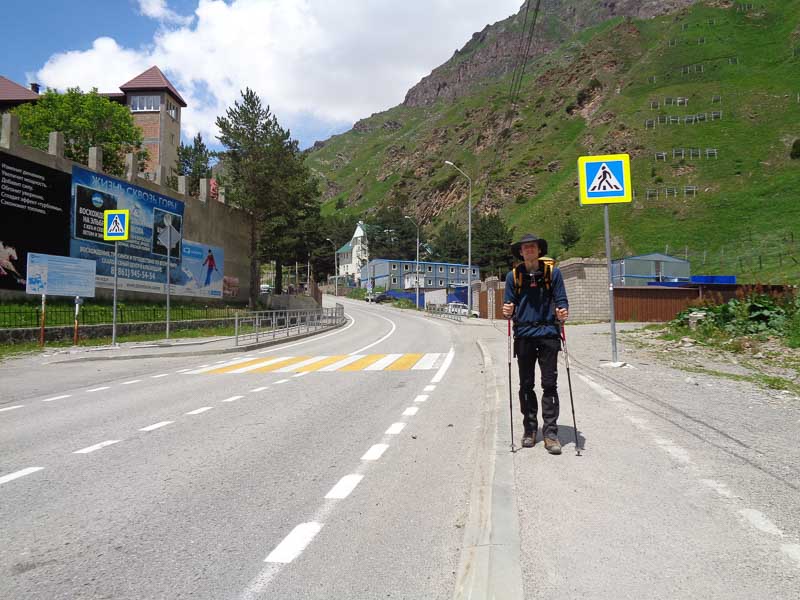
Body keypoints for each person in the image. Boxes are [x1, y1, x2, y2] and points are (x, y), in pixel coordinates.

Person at [502, 234, 569, 454]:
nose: (529, 250)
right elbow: (508, 306)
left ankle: (550, 433)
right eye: (525, 247)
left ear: (539, 250)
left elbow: (561, 300)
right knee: (525, 385)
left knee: (549, 384)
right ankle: (530, 429)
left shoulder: (553, 273)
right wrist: (507, 310)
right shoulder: (513, 276)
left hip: (548, 334)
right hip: (524, 335)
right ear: (520, 253)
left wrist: (563, 311)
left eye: (533, 246)